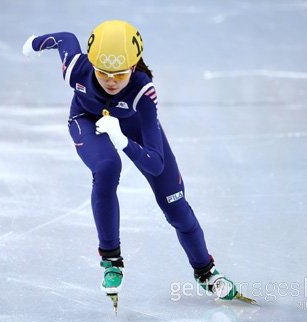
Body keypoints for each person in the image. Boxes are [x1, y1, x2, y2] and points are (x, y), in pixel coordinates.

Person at [22, 20, 240, 304]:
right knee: (107, 167)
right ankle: (111, 260)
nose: (111, 81)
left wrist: (124, 141)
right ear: (92, 63)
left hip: (132, 127)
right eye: (103, 73)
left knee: (176, 206)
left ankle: (206, 272)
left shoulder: (143, 92)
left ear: (134, 67)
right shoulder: (76, 69)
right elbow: (64, 38)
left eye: (120, 74)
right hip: (87, 121)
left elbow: (156, 164)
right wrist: (36, 42)